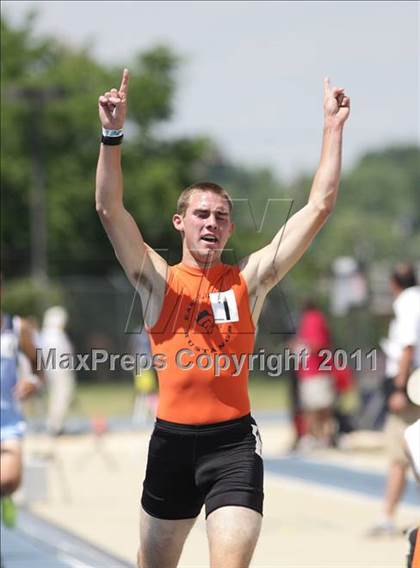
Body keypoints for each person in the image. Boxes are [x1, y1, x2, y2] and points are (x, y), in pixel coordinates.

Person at [95, 69, 350, 568]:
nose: (210, 223)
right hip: (169, 445)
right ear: (180, 222)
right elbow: (109, 208)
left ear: (230, 227)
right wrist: (112, 134)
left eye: (220, 217)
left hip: (232, 447)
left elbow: (318, 207)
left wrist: (332, 128)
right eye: (201, 214)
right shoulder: (157, 280)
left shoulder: (248, 280)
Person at [370, 263, 420, 536]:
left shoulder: (407, 303)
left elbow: (408, 346)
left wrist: (400, 388)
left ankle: (387, 516)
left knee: (399, 453)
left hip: (410, 385)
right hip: (413, 382)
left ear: (393, 284)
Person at [1, 307, 43, 529]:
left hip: (7, 422)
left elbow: (40, 367)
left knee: (7, 480)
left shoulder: (17, 328)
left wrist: (33, 382)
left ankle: (4, 497)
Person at [40, 306, 76, 436]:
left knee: (57, 397)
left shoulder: (46, 334)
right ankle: (55, 426)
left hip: (53, 370)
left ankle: (55, 424)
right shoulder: (55, 335)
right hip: (60, 370)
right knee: (61, 397)